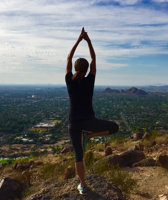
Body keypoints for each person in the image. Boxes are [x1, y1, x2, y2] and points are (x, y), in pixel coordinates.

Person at [65, 27, 119, 195]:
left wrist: (78, 40)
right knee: (114, 127)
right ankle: (89, 136)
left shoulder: (69, 80)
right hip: (89, 121)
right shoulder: (90, 80)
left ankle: (83, 185)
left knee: (78, 156)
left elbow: (68, 57)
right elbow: (94, 57)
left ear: (75, 68)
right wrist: (87, 40)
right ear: (87, 69)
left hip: (74, 123)